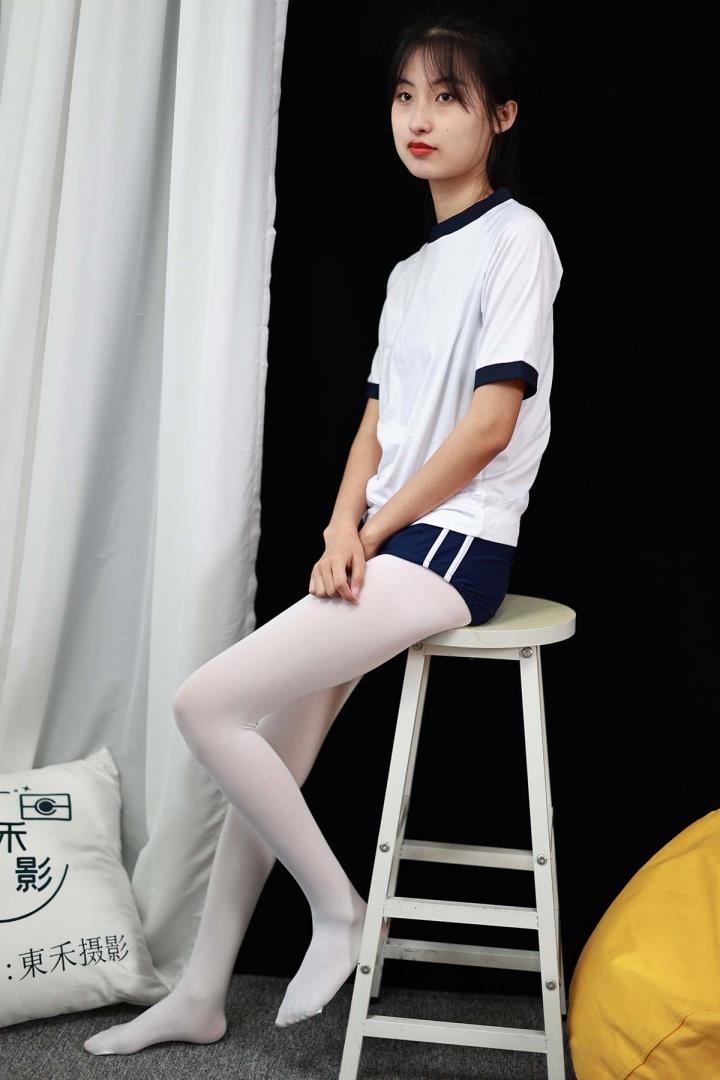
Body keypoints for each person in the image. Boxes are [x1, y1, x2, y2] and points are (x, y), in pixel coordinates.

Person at [83, 9, 563, 1056]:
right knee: (273, 749)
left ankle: (340, 910)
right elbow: (376, 423)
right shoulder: (410, 274)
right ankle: (202, 992)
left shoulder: (518, 239)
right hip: (388, 541)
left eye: (448, 97)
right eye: (404, 96)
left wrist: (376, 529)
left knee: (204, 704)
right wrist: (343, 525)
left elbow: (489, 427)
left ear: (501, 116)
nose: (419, 117)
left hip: (456, 545)